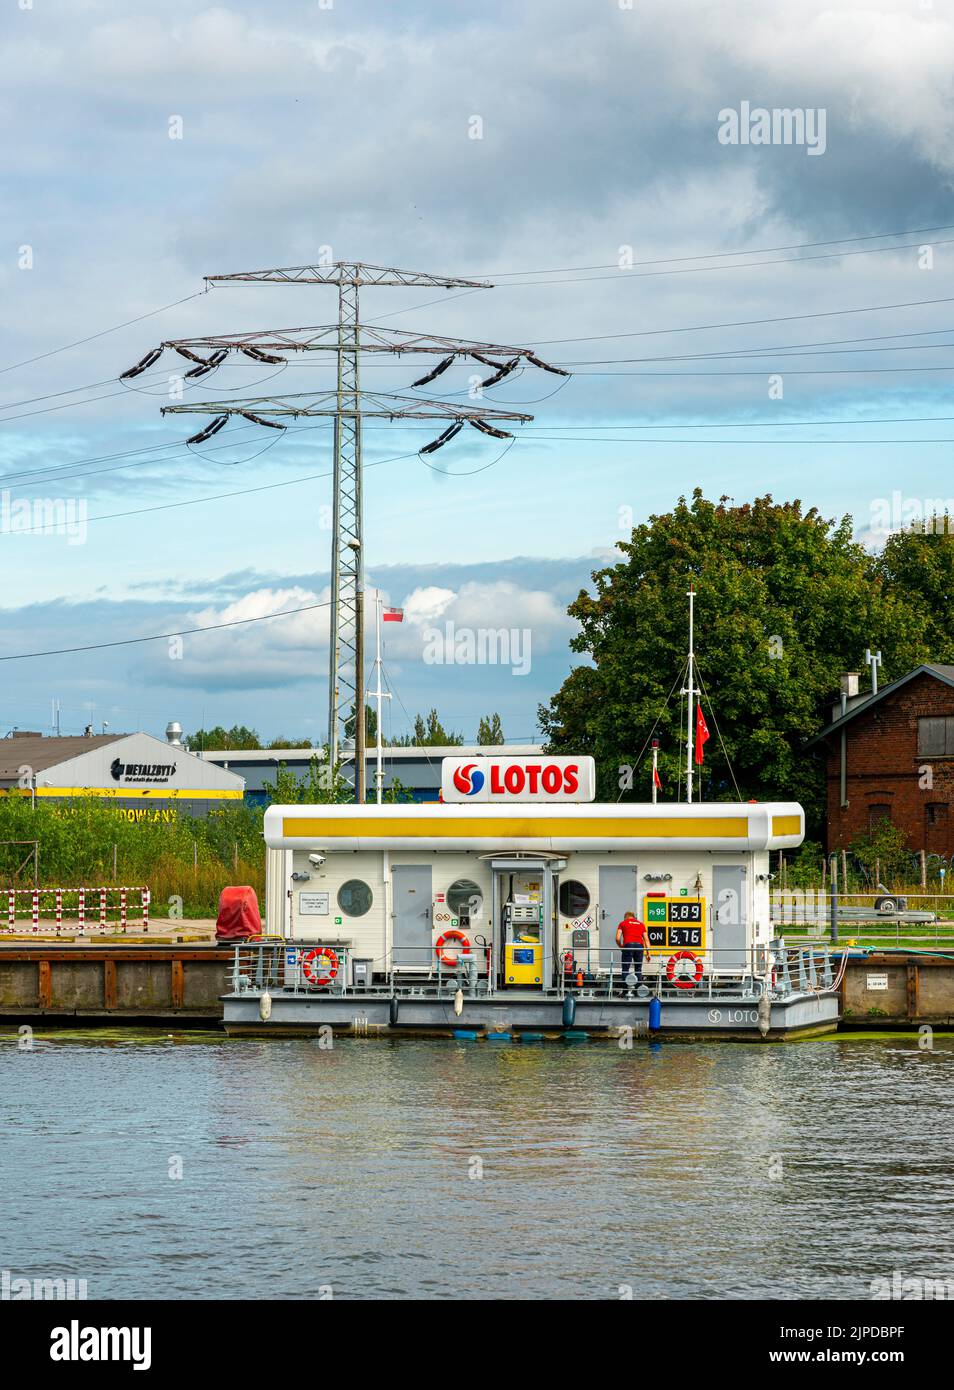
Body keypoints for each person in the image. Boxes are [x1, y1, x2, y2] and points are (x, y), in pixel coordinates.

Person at [615, 910, 649, 985]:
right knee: (638, 969)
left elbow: (617, 938)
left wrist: (621, 947)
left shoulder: (622, 923)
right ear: (634, 917)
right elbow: (646, 940)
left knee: (625, 970)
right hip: (639, 946)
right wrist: (648, 953)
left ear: (625, 917)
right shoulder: (641, 924)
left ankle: (625, 991)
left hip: (628, 945)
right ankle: (638, 991)